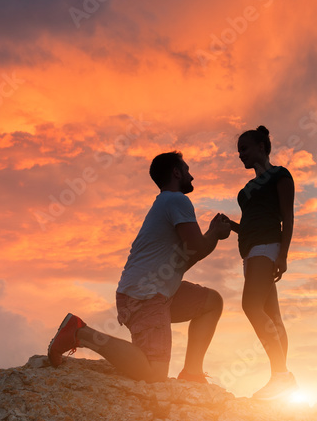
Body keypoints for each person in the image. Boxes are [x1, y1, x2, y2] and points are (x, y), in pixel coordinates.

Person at [47, 151, 232, 383]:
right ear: (176, 172)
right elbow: (198, 247)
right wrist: (215, 234)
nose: (191, 176)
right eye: (187, 170)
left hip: (156, 292)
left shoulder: (167, 203)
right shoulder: (177, 200)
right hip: (145, 295)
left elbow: (187, 258)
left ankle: (192, 373)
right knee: (154, 375)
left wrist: (211, 234)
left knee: (211, 303)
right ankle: (79, 333)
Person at [224, 126, 298, 399]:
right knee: (274, 317)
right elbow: (248, 226)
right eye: (238, 151)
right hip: (250, 252)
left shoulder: (280, 175)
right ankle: (282, 378)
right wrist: (230, 225)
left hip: (267, 248)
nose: (240, 155)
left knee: (250, 305)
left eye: (244, 148)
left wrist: (283, 255)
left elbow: (287, 218)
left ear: (260, 146)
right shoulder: (245, 191)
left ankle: (280, 376)